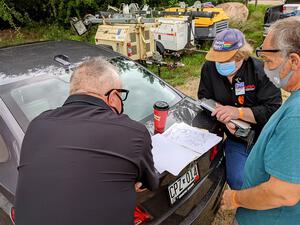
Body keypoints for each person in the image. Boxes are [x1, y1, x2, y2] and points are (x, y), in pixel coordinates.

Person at [14, 57, 159, 225]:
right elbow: (151, 182)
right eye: (121, 95)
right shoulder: (133, 132)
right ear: (113, 97)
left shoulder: (37, 125)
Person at [221, 17, 300, 225]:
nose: (267, 68)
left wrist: (235, 198)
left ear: (294, 61)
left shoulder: (296, 117)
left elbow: (283, 193)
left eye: (269, 61)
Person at [198, 28, 282, 190]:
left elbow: (273, 110)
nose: (219, 65)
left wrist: (238, 113)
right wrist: (222, 117)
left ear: (241, 56)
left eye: (224, 60)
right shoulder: (208, 69)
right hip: (236, 139)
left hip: (264, 138)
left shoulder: (262, 71)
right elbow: (204, 99)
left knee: (269, 181)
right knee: (237, 180)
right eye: (217, 59)